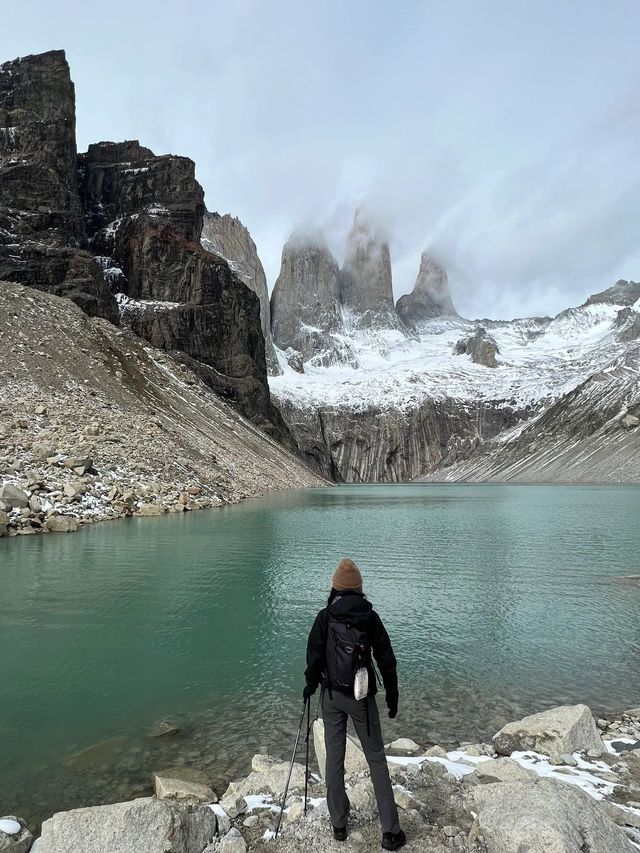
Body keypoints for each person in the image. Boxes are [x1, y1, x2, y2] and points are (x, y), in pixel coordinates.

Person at [304, 557, 406, 851]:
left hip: (332, 697)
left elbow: (314, 656)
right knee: (376, 760)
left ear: (335, 588)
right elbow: (387, 659)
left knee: (334, 761)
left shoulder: (325, 616)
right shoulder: (370, 617)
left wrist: (311, 683)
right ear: (359, 588)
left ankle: (339, 824)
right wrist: (392, 695)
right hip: (362, 699)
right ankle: (390, 832)